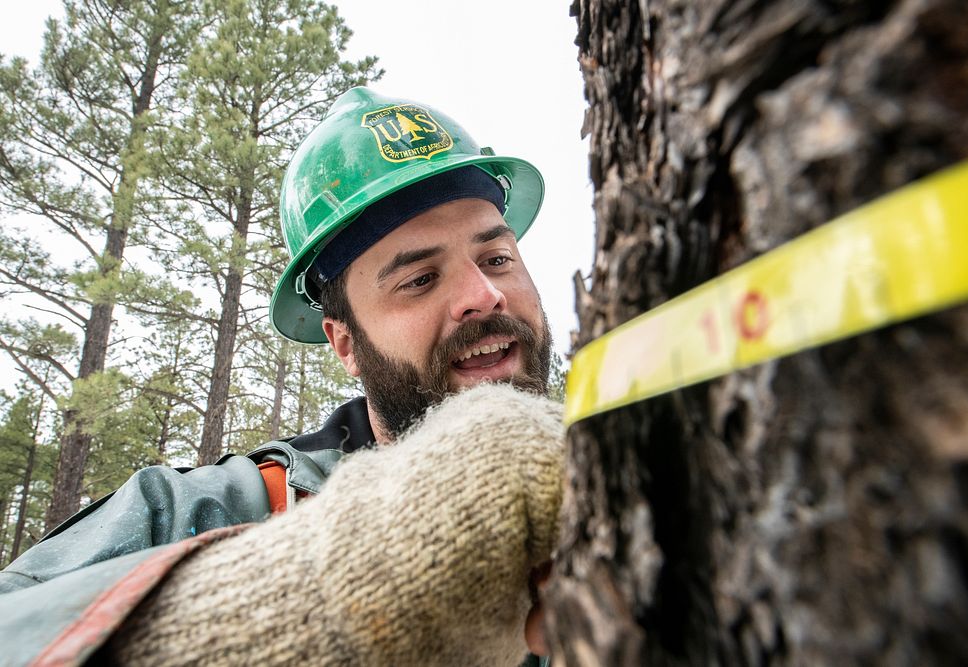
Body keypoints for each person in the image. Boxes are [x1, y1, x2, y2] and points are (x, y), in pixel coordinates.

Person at [0, 87, 565, 666]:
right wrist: (322, 591)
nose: (484, 295)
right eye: (419, 279)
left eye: (497, 259)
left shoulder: (620, 506)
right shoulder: (190, 513)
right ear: (346, 345)